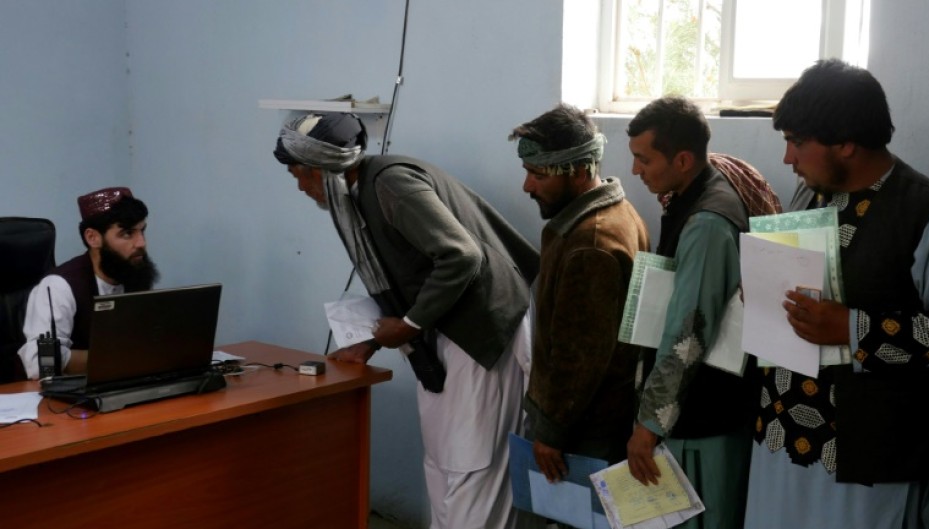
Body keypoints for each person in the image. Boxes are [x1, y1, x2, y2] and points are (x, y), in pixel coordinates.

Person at [272, 112, 540, 529]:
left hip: (480, 332)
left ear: (322, 170)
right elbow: (409, 275)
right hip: (441, 336)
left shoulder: (390, 184)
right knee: (443, 462)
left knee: (472, 466)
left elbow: (462, 256)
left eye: (298, 175)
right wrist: (374, 340)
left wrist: (410, 325)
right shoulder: (359, 194)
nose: (300, 187)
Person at [744, 59, 929, 529]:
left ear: (846, 142)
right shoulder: (810, 194)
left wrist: (852, 328)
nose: (788, 159)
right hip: (781, 437)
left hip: (866, 460)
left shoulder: (923, 210)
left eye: (796, 142)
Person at [625, 96, 781, 529]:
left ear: (683, 159)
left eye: (643, 159)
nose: (636, 170)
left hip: (705, 419)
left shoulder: (707, 223)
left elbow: (687, 333)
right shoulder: (697, 191)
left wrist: (648, 425)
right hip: (699, 412)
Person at [508, 103, 649, 489]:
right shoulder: (617, 211)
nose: (527, 186)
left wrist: (552, 432)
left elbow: (580, 355)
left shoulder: (591, 242)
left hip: (589, 429)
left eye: (538, 174)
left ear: (580, 171)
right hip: (601, 420)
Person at [17, 187, 158, 379]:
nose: (141, 243)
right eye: (127, 233)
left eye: (142, 231)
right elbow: (41, 362)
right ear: (93, 238)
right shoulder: (59, 286)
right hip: (67, 401)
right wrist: (118, 359)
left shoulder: (134, 274)